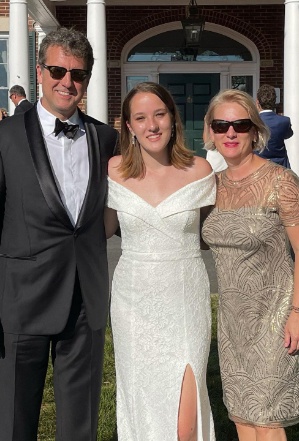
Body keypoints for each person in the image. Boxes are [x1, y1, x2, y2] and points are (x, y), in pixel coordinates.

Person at [0, 27, 118, 441]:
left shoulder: (107, 138)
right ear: (39, 72)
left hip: (86, 299)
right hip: (20, 300)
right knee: (13, 421)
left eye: (78, 74)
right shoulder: (4, 137)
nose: (67, 82)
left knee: (80, 424)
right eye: (57, 70)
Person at [104, 82, 216, 441]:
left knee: (186, 416)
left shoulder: (200, 171)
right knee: (142, 403)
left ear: (173, 119)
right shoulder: (114, 171)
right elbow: (100, 231)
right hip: (133, 302)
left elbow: (216, 234)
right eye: (140, 118)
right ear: (130, 126)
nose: (151, 125)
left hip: (185, 299)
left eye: (159, 114)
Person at [202, 89, 299, 441]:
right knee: (242, 416)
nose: (230, 133)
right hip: (232, 322)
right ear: (210, 132)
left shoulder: (281, 181)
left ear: (255, 130)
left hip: (275, 318)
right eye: (221, 124)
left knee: (268, 419)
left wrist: (297, 313)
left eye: (240, 125)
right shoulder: (210, 187)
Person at [254, 84, 293, 168]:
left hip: (258, 166)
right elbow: (288, 135)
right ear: (274, 101)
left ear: (257, 102)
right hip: (280, 166)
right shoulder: (284, 121)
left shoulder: (253, 122)